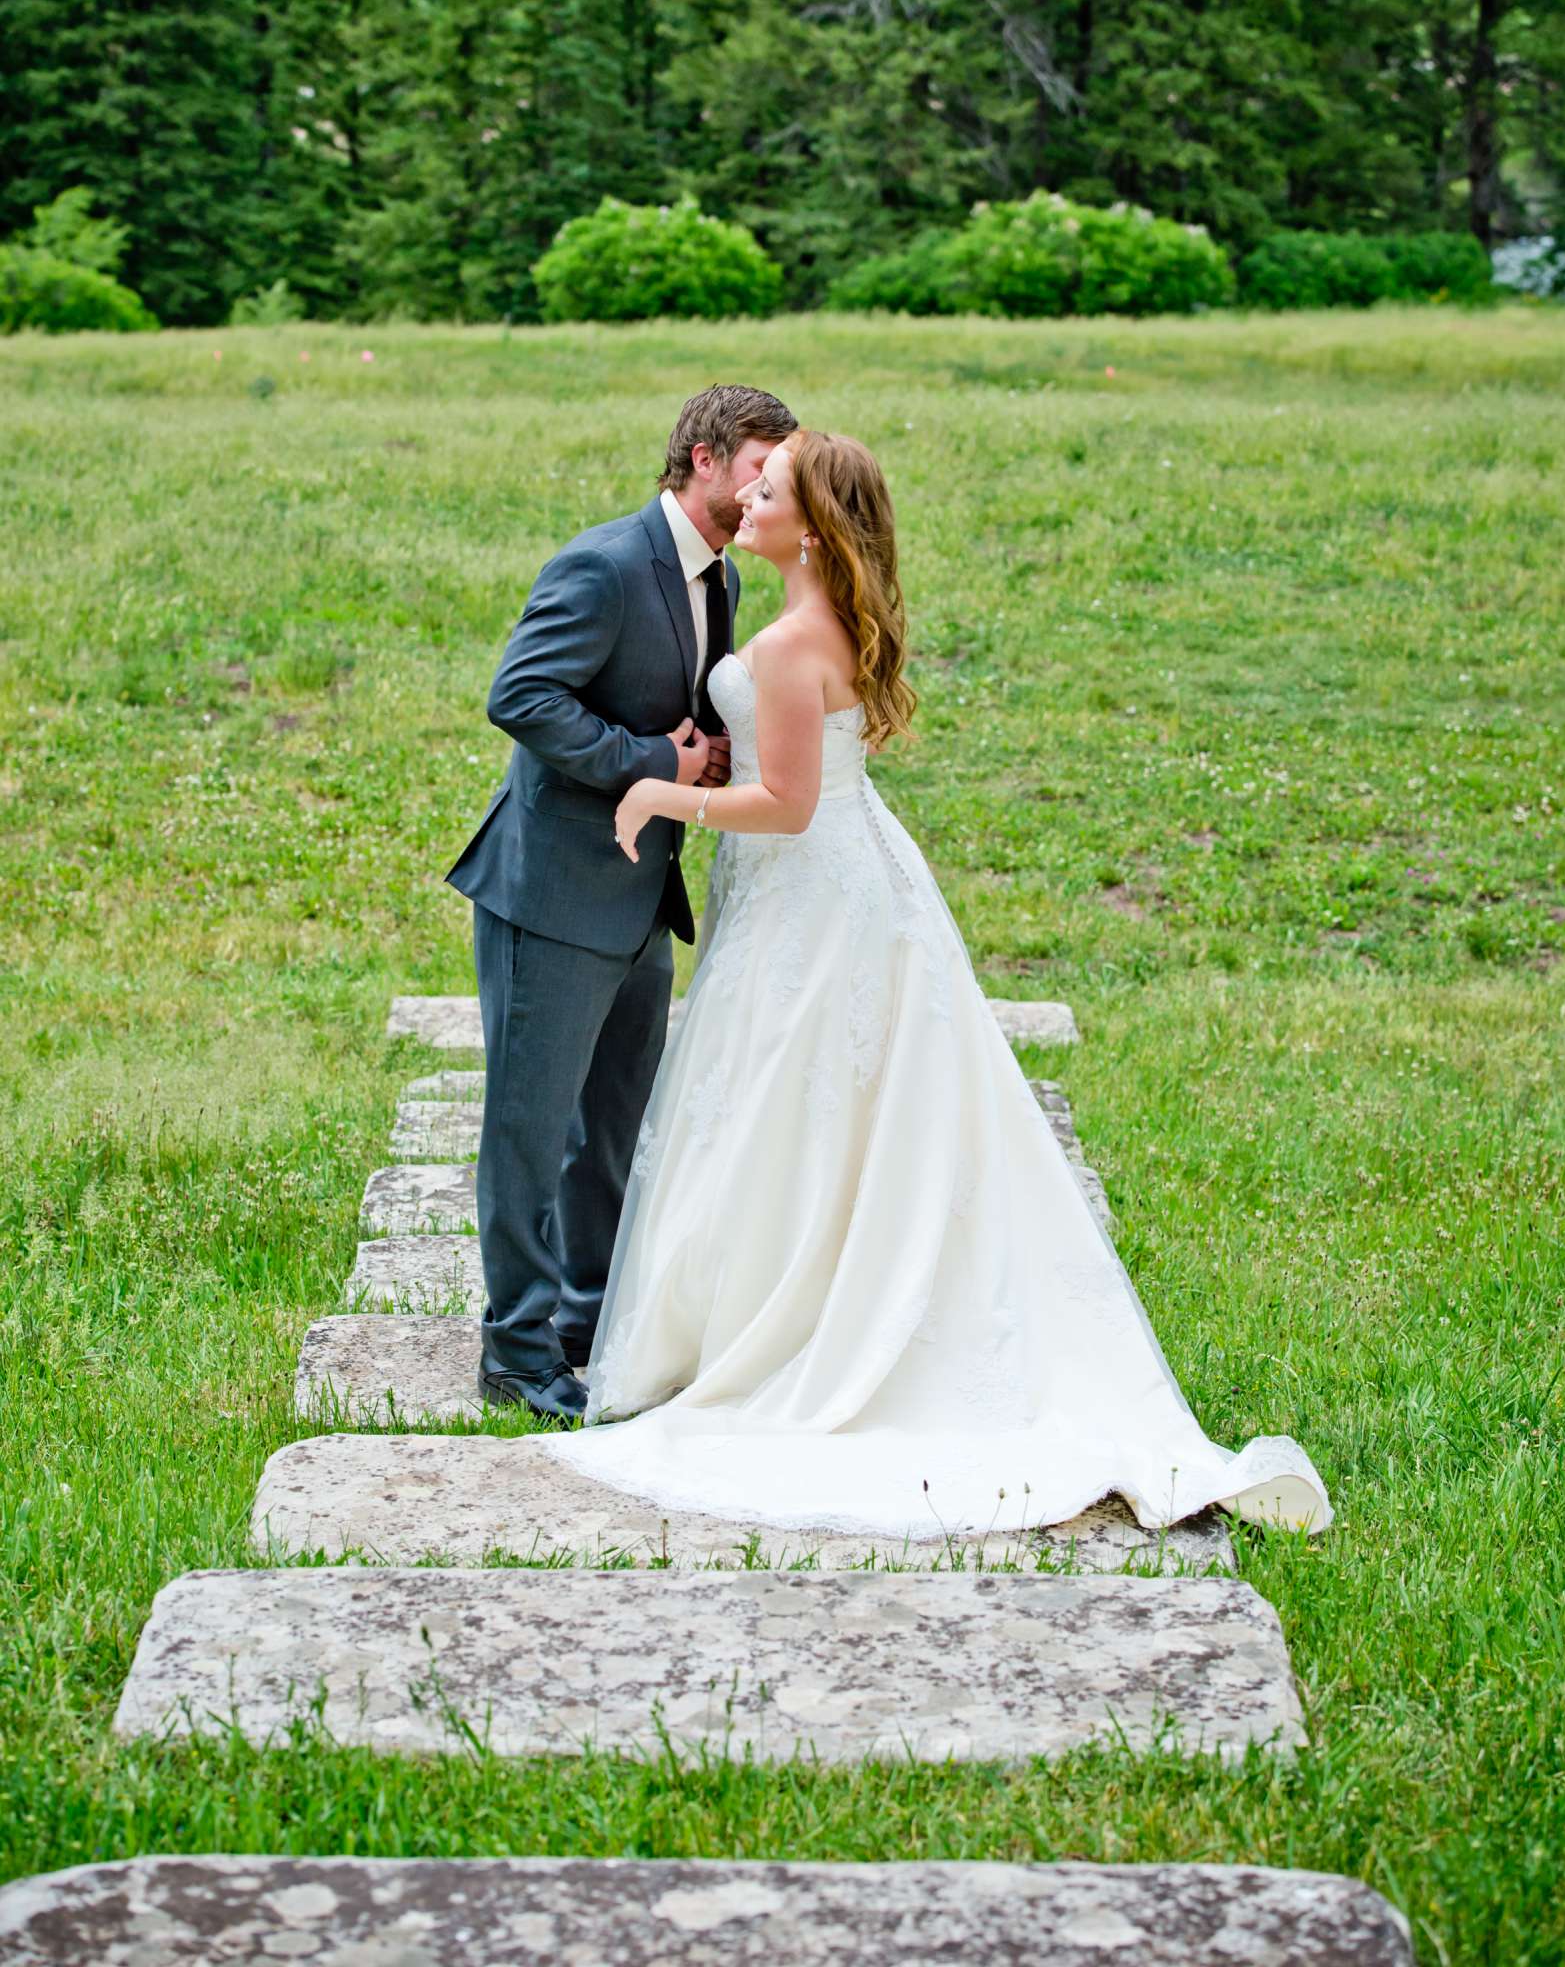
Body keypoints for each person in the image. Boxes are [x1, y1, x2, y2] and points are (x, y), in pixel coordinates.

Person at [534, 428, 1331, 1540]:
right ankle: (786, 1308)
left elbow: (790, 805)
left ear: (809, 527)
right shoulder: (829, 625)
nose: (746, 502)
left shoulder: (785, 646)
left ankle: (801, 1330)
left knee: (793, 1102)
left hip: (812, 891)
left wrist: (655, 797)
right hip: (835, 886)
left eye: (767, 492)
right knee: (811, 1106)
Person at [445, 385, 797, 1421]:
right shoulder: (603, 564)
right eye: (757, 468)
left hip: (641, 897)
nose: (769, 485)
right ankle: (513, 1350)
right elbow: (521, 696)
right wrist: (655, 758)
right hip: (550, 898)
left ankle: (583, 1320)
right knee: (528, 1127)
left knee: (609, 1131)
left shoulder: (718, 572)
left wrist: (705, 754)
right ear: (700, 458)